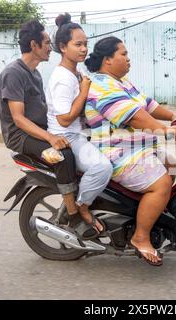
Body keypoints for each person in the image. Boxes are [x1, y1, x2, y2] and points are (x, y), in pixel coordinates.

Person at [84, 36, 176, 266]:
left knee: (173, 163)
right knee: (162, 184)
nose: (128, 59)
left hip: (134, 146)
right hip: (115, 151)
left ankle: (150, 215)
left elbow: (146, 104)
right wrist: (166, 131)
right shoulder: (102, 85)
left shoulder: (121, 81)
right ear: (107, 60)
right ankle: (140, 237)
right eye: (123, 54)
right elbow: (135, 116)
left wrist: (175, 117)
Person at [0, 20, 79, 224]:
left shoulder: (35, 73)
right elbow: (18, 118)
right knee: (61, 157)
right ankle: (74, 215)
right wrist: (50, 137)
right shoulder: (13, 73)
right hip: (20, 136)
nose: (50, 47)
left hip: (38, 130)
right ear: (34, 45)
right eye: (47, 43)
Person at [46, 13, 112, 239]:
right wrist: (84, 90)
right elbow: (64, 118)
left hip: (81, 133)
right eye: (78, 44)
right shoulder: (62, 77)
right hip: (67, 136)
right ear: (63, 47)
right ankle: (81, 207)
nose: (84, 49)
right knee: (102, 167)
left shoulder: (77, 71)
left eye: (85, 44)